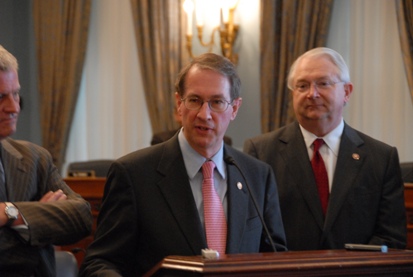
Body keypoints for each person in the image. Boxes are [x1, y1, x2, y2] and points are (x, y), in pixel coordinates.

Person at [79, 53, 287, 276]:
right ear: (179, 103)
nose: (204, 114)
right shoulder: (133, 175)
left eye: (217, 102)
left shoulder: (257, 175)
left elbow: (274, 257)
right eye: (194, 100)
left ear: (234, 108)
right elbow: (100, 262)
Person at [244, 47, 407, 250]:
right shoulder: (260, 153)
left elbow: (391, 239)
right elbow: (252, 234)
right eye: (302, 86)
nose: (312, 94)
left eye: (323, 83)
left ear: (346, 92)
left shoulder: (381, 159)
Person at [0, 45, 93, 276]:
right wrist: (38, 225)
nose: (14, 107)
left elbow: (81, 217)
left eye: (16, 94)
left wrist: (11, 212)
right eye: (0, 96)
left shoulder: (34, 158)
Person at [151, 106, 233, 145]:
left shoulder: (225, 141)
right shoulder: (162, 139)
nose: (204, 116)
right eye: (194, 101)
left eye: (217, 102)